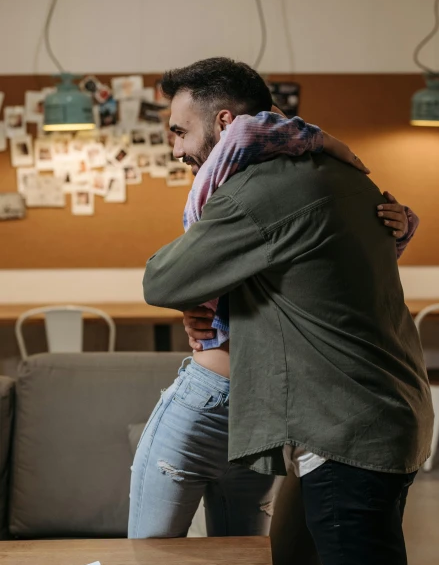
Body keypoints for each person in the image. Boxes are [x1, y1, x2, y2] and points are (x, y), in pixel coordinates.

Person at [138, 57, 433, 565]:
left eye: (180, 132)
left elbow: (162, 278)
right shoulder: (339, 170)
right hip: (393, 416)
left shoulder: (259, 190)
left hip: (345, 430)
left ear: (225, 123)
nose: (176, 150)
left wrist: (202, 294)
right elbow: (312, 277)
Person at [129, 97, 417, 542]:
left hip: (257, 417)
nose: (176, 150)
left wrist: (399, 222)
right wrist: (201, 305)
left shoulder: (269, 174)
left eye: (181, 132)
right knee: (172, 563)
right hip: (219, 407)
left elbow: (253, 129)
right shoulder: (256, 189)